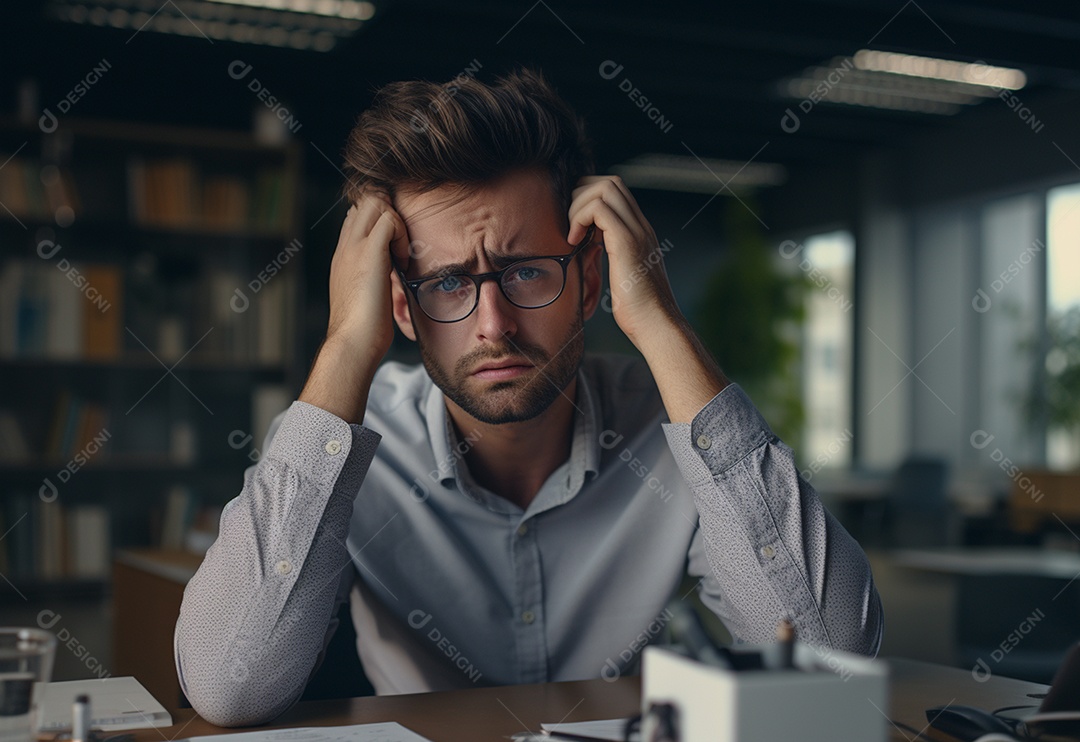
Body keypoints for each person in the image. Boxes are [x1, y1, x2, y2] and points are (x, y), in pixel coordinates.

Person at [175, 68, 883, 727]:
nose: (494, 325)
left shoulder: (672, 425)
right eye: (447, 283)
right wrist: (343, 349)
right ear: (400, 307)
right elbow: (226, 688)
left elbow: (836, 660)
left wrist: (661, 326)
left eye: (526, 272)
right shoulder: (342, 443)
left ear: (591, 283)